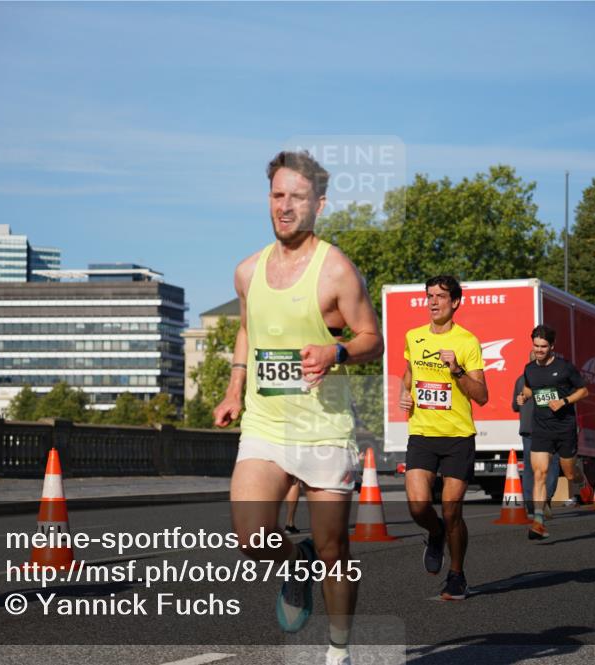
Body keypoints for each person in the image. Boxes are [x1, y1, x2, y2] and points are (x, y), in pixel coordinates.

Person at [214, 150, 383, 665]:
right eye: (277, 195)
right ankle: (293, 562)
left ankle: (338, 651)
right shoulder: (248, 271)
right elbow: (248, 328)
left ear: (319, 204)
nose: (285, 207)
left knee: (334, 551)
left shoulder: (336, 272)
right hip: (266, 422)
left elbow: (372, 338)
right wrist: (234, 387)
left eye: (298, 197)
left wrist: (336, 351)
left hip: (326, 429)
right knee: (250, 536)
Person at [398, 275, 488, 600]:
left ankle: (457, 574)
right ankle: (435, 535)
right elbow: (407, 376)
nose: (433, 301)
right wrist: (402, 395)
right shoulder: (414, 336)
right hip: (422, 433)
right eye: (429, 295)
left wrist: (457, 371)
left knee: (452, 511)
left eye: (440, 296)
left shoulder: (467, 342)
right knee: (418, 506)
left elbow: (482, 396)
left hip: (457, 437)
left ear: (455, 302)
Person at [516, 324, 592, 540]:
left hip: (564, 427)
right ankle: (538, 521)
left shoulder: (565, 367)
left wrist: (564, 401)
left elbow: (583, 391)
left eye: (543, 346)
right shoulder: (529, 368)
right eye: (536, 346)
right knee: (539, 473)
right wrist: (524, 396)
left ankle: (582, 480)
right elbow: (530, 388)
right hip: (541, 428)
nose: (539, 350)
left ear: (552, 347)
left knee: (569, 473)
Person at [512, 353, 559, 518]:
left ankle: (531, 506)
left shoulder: (520, 380)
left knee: (530, 469)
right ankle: (545, 498)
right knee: (551, 465)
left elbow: (515, 406)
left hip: (528, 430)